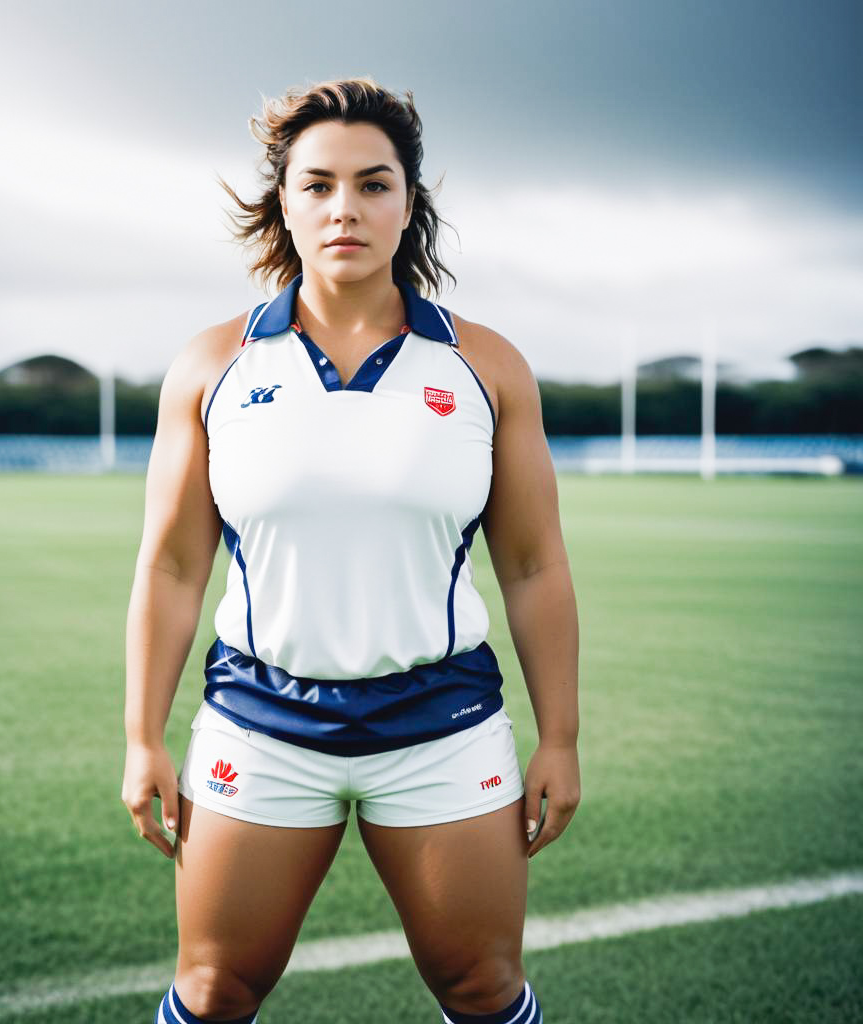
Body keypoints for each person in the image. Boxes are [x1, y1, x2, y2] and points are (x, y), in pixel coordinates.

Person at [122, 77, 580, 1024]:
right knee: (212, 992)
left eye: (374, 185)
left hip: (442, 722)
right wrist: (141, 737)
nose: (345, 208)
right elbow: (171, 567)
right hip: (262, 717)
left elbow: (534, 567)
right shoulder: (212, 366)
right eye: (318, 184)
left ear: (409, 205)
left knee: (483, 988)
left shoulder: (486, 366)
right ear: (282, 202)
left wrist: (561, 738)